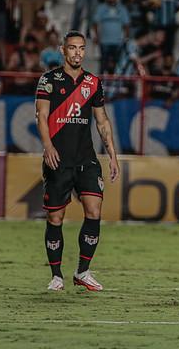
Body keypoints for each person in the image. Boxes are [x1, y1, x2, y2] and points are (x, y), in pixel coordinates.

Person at [34, 31, 120, 292]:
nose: (77, 53)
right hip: (58, 159)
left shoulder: (93, 83)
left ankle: (83, 271)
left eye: (81, 48)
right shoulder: (49, 80)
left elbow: (102, 121)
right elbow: (41, 115)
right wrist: (47, 146)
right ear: (63, 50)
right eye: (72, 48)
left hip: (86, 159)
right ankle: (56, 276)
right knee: (56, 218)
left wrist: (113, 155)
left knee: (94, 211)